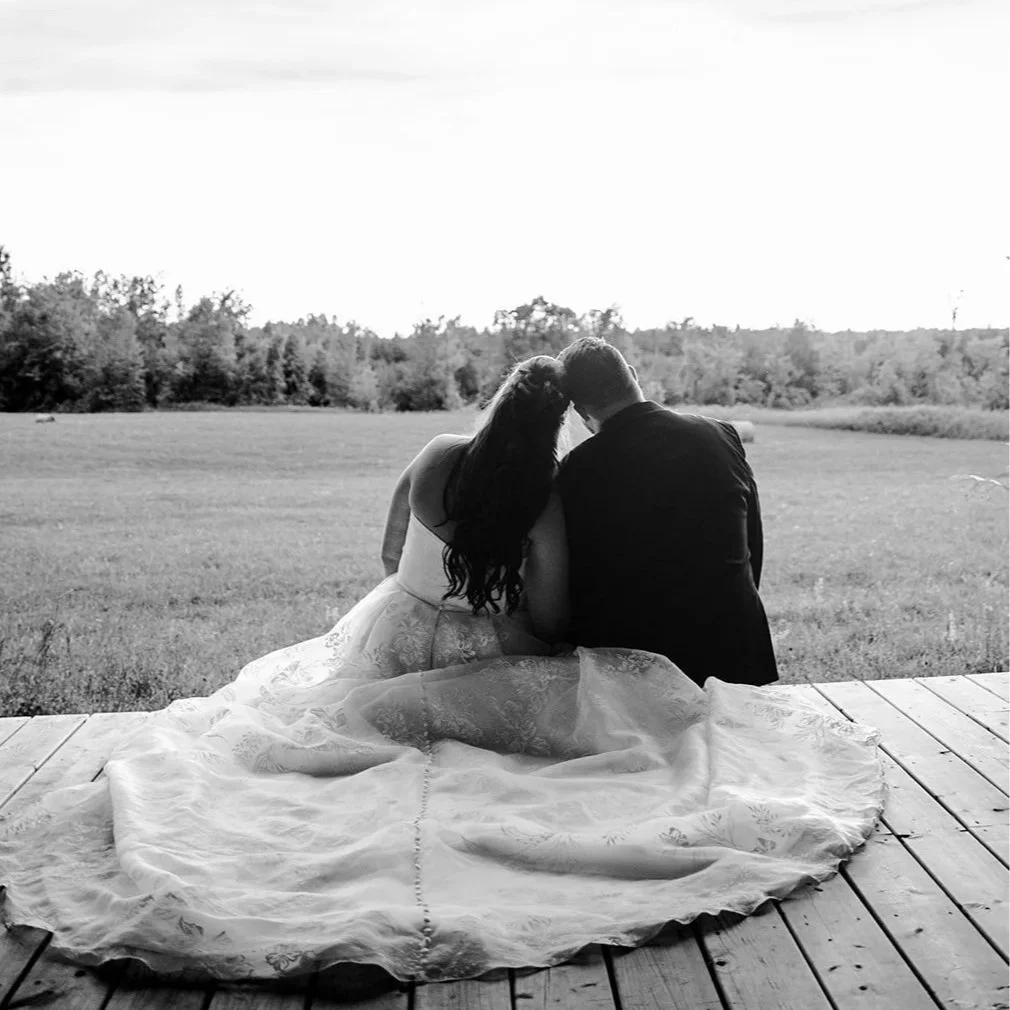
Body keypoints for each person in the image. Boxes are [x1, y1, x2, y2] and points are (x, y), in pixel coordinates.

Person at [0, 355, 881, 989]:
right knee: (563, 732)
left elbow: (390, 551)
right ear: (556, 426)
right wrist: (525, 642)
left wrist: (420, 598)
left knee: (340, 724)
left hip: (387, 636)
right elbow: (553, 618)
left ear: (497, 400)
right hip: (477, 659)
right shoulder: (542, 495)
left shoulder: (431, 455)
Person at [556, 337, 778, 687]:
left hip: (640, 668)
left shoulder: (576, 469)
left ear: (580, 411)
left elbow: (576, 577)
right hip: (735, 650)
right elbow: (753, 541)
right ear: (632, 374)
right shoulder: (718, 434)